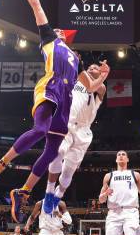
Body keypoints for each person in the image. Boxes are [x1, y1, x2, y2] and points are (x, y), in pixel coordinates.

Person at [0, 0, 104, 223]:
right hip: (50, 88)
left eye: (61, 31)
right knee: (38, 130)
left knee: (52, 151)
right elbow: (37, 7)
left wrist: (102, 76)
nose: (59, 31)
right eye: (57, 29)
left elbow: (90, 87)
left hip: (67, 100)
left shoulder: (75, 57)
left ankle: (22, 192)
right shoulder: (50, 40)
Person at [43, 62, 109, 214]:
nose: (92, 69)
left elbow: (99, 87)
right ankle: (49, 191)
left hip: (84, 132)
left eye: (95, 68)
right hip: (68, 124)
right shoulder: (76, 81)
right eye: (90, 68)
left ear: (100, 74)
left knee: (68, 172)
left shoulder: (101, 88)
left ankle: (58, 196)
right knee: (57, 152)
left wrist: (103, 76)